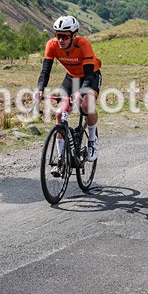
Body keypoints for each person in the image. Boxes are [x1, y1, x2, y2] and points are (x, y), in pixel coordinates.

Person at [36, 15, 102, 174]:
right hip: (71, 77)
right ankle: (60, 159)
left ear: (75, 34)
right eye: (58, 35)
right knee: (60, 112)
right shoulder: (51, 45)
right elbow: (45, 70)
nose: (61, 40)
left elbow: (88, 75)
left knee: (86, 104)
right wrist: (40, 89)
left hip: (90, 76)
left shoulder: (83, 44)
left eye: (65, 36)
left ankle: (92, 140)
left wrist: (81, 93)